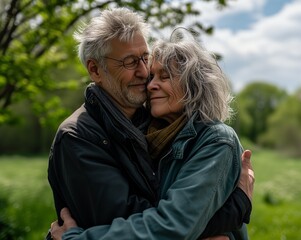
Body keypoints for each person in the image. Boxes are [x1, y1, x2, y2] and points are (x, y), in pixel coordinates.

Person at [47, 7, 254, 240]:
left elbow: (175, 219)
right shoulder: (79, 137)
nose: (145, 74)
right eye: (129, 62)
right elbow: (157, 221)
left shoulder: (174, 133)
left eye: (145, 59)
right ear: (95, 70)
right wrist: (235, 208)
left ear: (193, 86)